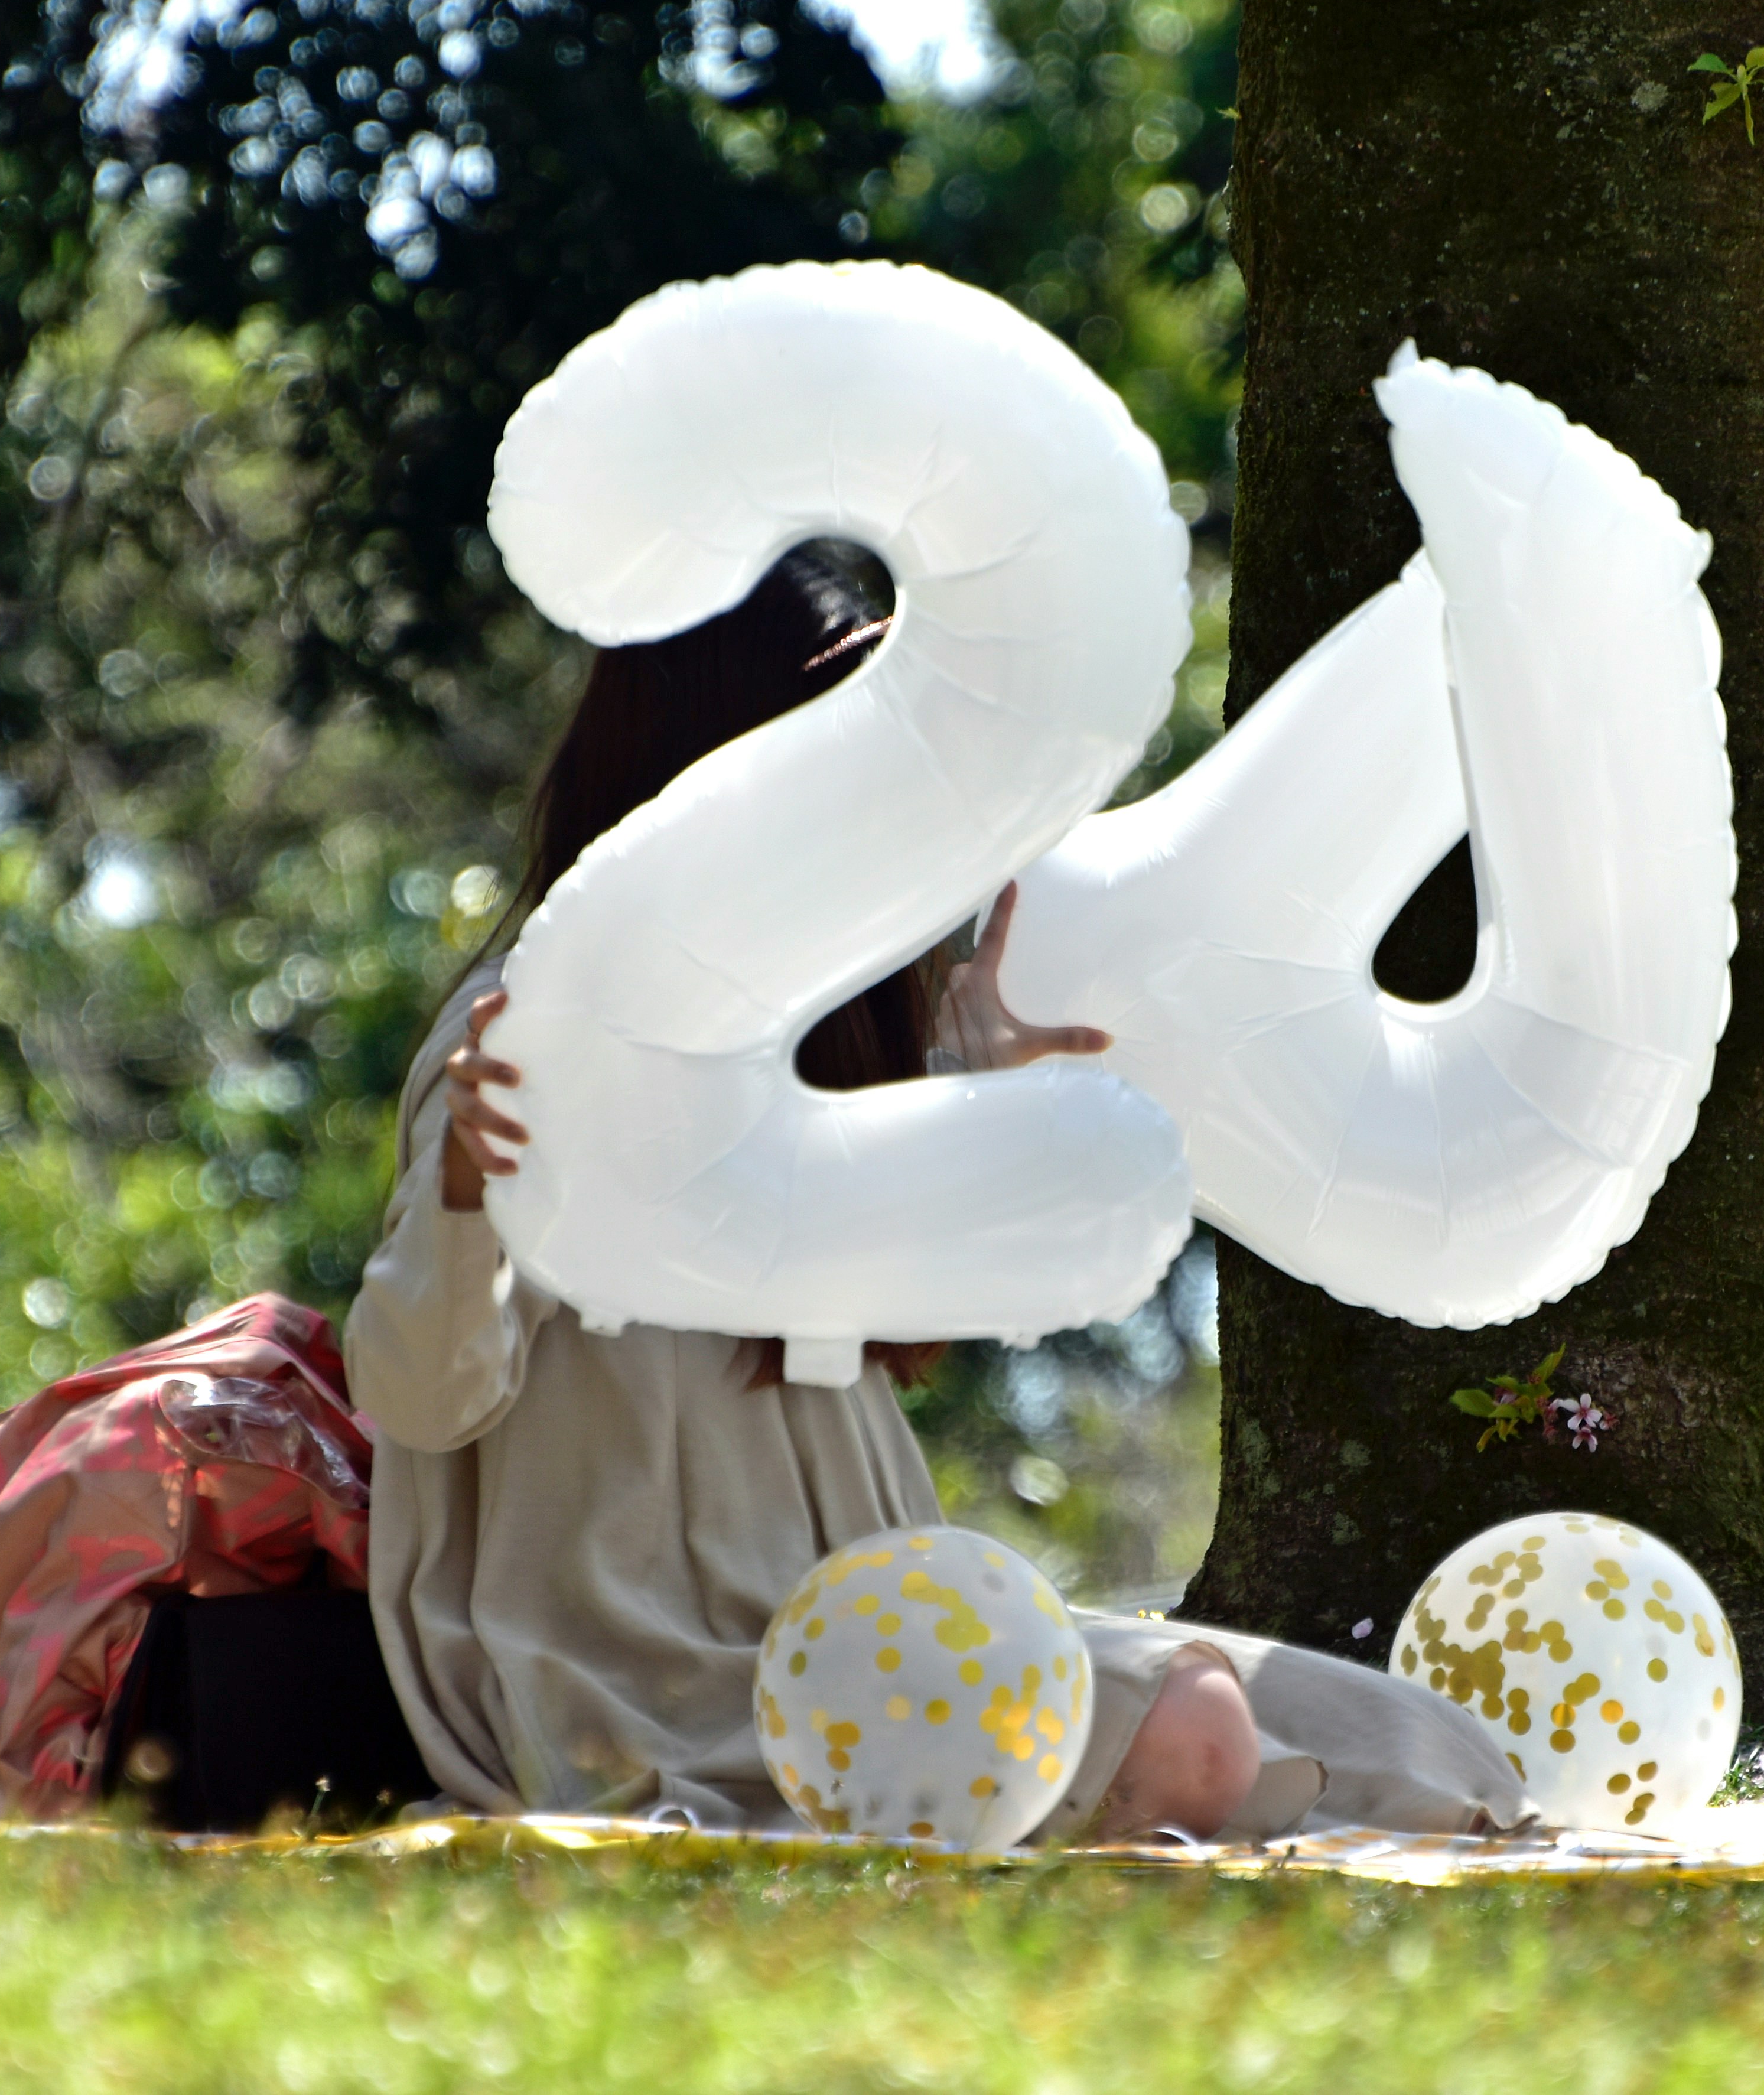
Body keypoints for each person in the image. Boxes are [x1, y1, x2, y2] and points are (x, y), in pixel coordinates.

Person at [346, 548, 1534, 1842]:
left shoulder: (818, 1020)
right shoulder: (533, 1026)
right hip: (648, 1678)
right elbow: (419, 1393)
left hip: (872, 1625)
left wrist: (974, 1078)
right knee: (1198, 1727)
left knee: (1410, 1740)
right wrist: (467, 1182)